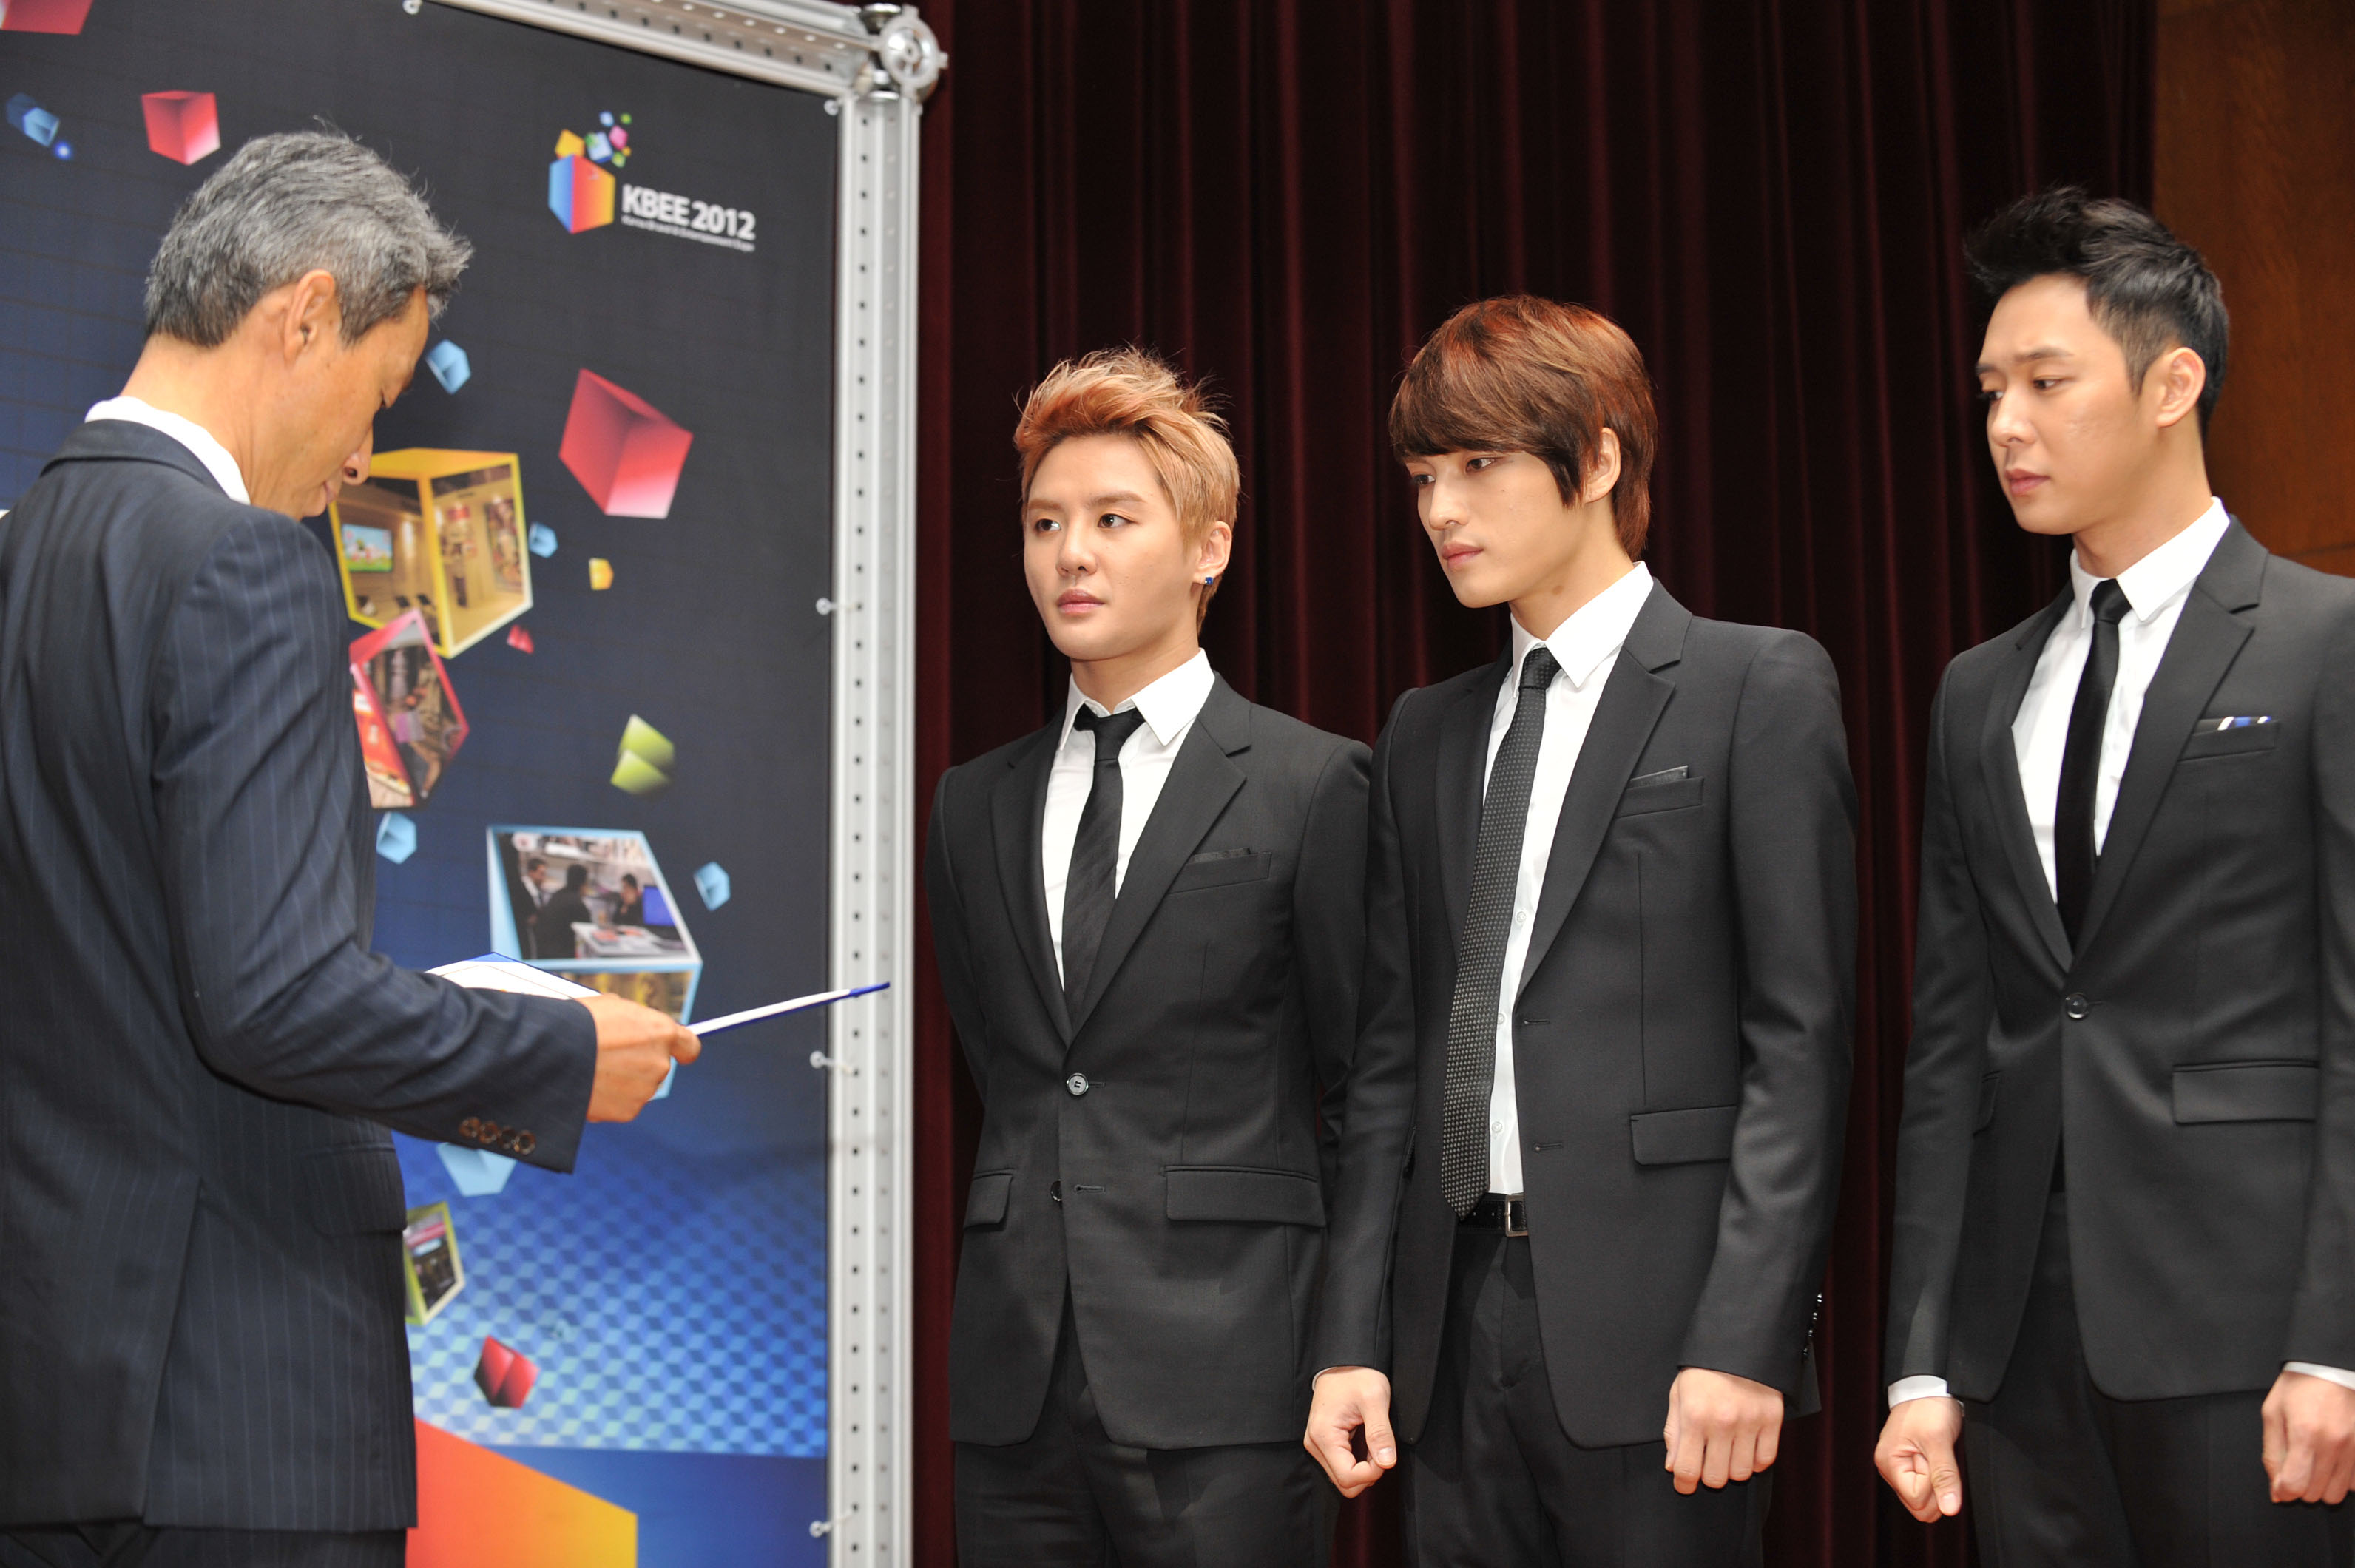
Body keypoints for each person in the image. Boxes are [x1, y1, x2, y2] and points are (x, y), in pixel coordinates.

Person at [0, 132, 698, 1567]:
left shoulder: (22, 553)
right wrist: (554, 1055)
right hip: (240, 1412)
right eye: (380, 396)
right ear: (304, 314)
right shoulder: (242, 562)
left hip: (49, 1414)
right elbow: (269, 997)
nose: (367, 457)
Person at [1305, 295, 1856, 1565]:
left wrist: (1746, 1337)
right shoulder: (1425, 731)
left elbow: (1800, 1045)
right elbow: (1389, 1064)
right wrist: (1349, 1338)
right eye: (1422, 476)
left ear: (1599, 459)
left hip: (1669, 1342)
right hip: (1448, 1339)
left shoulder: (1755, 685)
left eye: (1476, 465)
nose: (1439, 509)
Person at [1876, 189, 2355, 1564]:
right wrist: (1920, 1359)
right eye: (1989, 391)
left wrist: (2335, 1343)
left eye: (2045, 383)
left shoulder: (2324, 642)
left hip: (2252, 1335)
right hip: (2015, 1349)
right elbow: (1950, 1050)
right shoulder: (1978, 691)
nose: (2003, 427)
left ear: (2170, 385)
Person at [925, 348, 1369, 1565]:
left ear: (1207, 548)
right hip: (1014, 1386)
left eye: (1112, 520)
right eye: (1044, 524)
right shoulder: (971, 805)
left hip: (1234, 1380)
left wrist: (1349, 1343)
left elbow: (1364, 1090)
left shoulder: (1311, 784)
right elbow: (1010, 1067)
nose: (1070, 554)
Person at [534, 863, 595, 959]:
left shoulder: (559, 894)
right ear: (583, 883)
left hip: (542, 951)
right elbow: (590, 931)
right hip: (559, 956)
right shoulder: (576, 902)